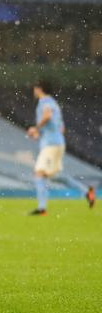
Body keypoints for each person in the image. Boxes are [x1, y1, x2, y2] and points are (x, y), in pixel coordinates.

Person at [26, 80, 94, 215]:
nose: (34, 91)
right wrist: (41, 133)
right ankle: (87, 192)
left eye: (35, 88)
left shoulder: (45, 102)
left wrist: (36, 128)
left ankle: (42, 209)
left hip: (51, 144)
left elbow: (47, 116)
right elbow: (61, 128)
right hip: (57, 143)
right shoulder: (54, 104)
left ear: (39, 89)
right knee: (54, 176)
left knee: (39, 173)